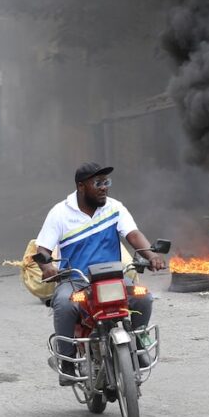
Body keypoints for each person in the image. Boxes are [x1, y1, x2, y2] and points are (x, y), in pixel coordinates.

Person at [35, 162, 166, 385]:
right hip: (77, 280)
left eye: (107, 182)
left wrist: (151, 255)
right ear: (81, 186)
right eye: (98, 183)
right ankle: (67, 360)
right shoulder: (60, 213)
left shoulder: (115, 208)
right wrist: (47, 267)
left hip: (113, 278)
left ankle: (137, 342)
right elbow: (43, 249)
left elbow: (133, 235)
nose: (104, 187)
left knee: (143, 297)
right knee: (65, 305)